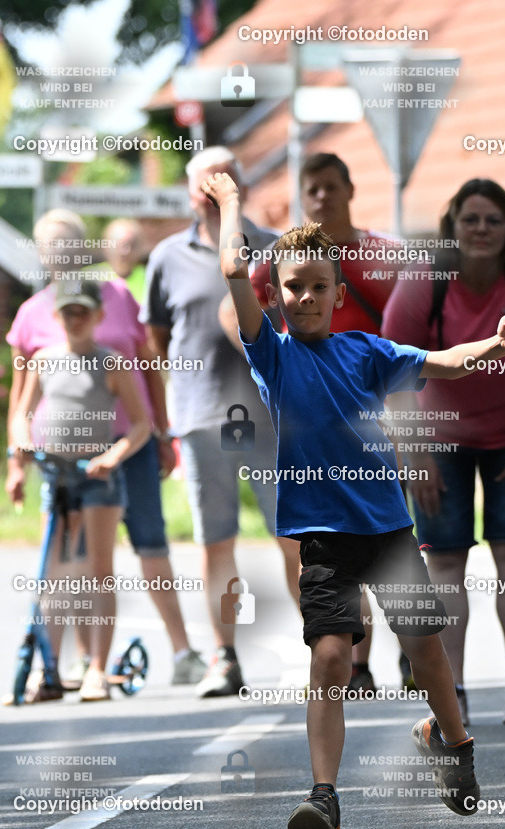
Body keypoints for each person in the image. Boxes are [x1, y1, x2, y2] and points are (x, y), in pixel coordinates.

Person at [203, 169, 505, 829]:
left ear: (337, 293)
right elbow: (235, 268)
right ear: (275, 295)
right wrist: (232, 203)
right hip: (322, 538)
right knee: (330, 657)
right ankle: (323, 799)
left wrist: (496, 344)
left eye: (317, 286)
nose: (304, 297)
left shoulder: (366, 352)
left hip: (388, 530)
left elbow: (443, 361)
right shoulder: (272, 356)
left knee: (425, 651)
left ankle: (452, 743)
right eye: (292, 287)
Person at [221, 151, 410, 697]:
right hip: (312, 418)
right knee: (338, 545)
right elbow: (233, 304)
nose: (322, 196)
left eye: (331, 185)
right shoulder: (287, 259)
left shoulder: (383, 254)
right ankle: (356, 662)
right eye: (313, 188)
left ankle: (407, 653)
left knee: (384, 539)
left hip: (377, 414)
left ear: (351, 190)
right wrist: (274, 366)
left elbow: (415, 330)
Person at [382, 179, 505, 726]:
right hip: (438, 436)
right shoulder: (425, 280)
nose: (481, 229)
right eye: (470, 219)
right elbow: (394, 372)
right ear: (452, 227)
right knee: (444, 561)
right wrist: (416, 456)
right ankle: (454, 692)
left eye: (493, 220)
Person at [6, 209, 207, 688]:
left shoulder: (116, 296)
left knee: (150, 541)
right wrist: (17, 458)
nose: (60, 254)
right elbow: (21, 398)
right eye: (51, 246)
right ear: (41, 253)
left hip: (129, 444)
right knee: (73, 558)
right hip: (65, 455)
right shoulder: (32, 313)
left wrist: (162, 434)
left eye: (68, 244)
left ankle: (183, 652)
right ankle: (83, 661)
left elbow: (148, 366)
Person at [141, 146, 301, 699]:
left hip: (271, 418)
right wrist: (170, 413)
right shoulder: (166, 257)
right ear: (189, 193)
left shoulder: (276, 249)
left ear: (243, 187)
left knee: (294, 537)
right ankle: (225, 657)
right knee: (216, 542)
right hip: (201, 416)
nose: (213, 190)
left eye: (224, 179)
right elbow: (157, 340)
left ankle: (322, 652)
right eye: (203, 182)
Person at [11, 279, 151, 701]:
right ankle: (49, 670)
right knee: (54, 575)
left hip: (97, 476)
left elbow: (141, 425)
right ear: (58, 317)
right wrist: (22, 448)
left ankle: (97, 670)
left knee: (97, 571)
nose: (75, 320)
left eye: (83, 312)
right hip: (56, 475)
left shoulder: (111, 362)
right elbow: (21, 415)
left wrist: (113, 456)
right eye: (68, 312)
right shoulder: (44, 360)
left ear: (98, 316)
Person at [95, 218, 148, 303]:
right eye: (121, 245)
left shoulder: (149, 277)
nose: (126, 252)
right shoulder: (91, 277)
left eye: (132, 245)